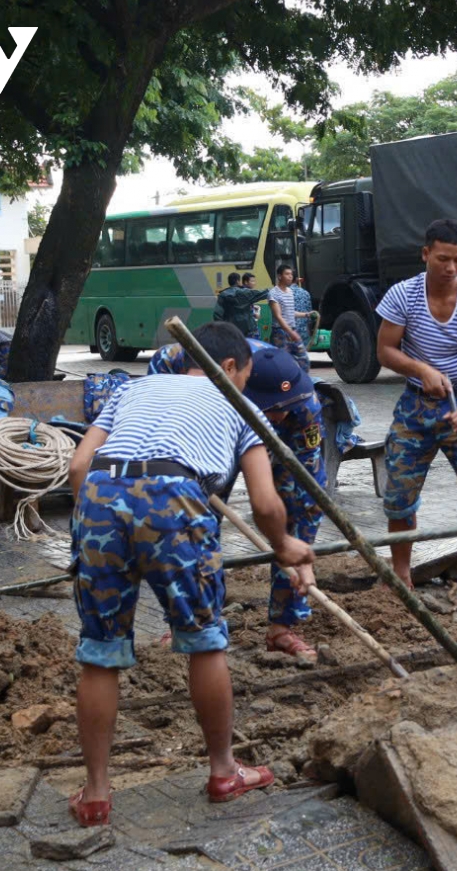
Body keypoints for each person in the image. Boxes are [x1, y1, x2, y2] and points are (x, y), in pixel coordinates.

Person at [65, 321, 314, 827]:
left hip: (98, 498)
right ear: (229, 368)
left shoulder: (131, 388)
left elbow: (77, 468)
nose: (247, 388)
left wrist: (103, 521)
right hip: (175, 500)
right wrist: (286, 546)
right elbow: (267, 503)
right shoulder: (241, 409)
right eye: (245, 376)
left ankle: (95, 794)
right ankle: (224, 772)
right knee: (204, 639)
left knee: (100, 650)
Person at [375, 219, 457, 618]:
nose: (451, 267)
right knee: (398, 498)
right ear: (426, 253)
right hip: (415, 408)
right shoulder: (403, 295)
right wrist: (421, 370)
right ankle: (401, 575)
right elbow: (384, 350)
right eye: (444, 258)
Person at [244, 347, 327, 658]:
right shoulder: (220, 394)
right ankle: (187, 622)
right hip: (226, 430)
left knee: (296, 514)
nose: (282, 412)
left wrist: (300, 555)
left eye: (287, 406)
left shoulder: (303, 408)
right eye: (274, 408)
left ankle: (282, 627)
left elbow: (308, 486)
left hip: (278, 440)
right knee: (200, 520)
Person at [266, 264, 309, 364]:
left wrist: (306, 314)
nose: (290, 276)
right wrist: (291, 332)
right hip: (280, 333)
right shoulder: (273, 293)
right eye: (287, 274)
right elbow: (278, 316)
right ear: (279, 276)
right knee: (282, 363)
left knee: (303, 360)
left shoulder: (290, 291)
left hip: (291, 330)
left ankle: (298, 379)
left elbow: (290, 312)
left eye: (291, 274)